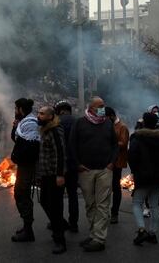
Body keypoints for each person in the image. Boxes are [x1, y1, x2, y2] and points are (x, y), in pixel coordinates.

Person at [69, 97, 117, 253]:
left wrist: (111, 163)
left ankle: (99, 239)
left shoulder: (108, 123)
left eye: (104, 105)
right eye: (100, 106)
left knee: (103, 205)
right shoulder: (80, 123)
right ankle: (93, 233)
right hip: (86, 171)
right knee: (90, 204)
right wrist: (78, 164)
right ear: (91, 108)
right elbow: (72, 145)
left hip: (105, 170)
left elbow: (115, 144)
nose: (103, 108)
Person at [128, 112, 159, 246]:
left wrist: (135, 172)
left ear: (143, 123)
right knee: (154, 206)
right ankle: (152, 234)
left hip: (142, 177)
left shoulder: (137, 138)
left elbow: (132, 157)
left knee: (137, 203)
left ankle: (142, 231)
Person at [35, 106, 68, 255]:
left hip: (55, 175)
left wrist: (60, 175)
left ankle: (60, 240)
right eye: (38, 113)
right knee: (44, 201)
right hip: (46, 174)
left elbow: (60, 153)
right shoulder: (46, 129)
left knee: (55, 206)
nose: (38, 116)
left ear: (50, 116)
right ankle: (60, 223)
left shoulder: (55, 130)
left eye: (42, 114)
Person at [10, 97, 40, 242]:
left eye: (16, 109)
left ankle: (28, 230)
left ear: (21, 109)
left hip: (27, 165)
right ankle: (26, 226)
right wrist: (15, 127)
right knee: (19, 193)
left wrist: (19, 157)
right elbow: (16, 139)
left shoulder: (30, 123)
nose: (15, 112)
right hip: (23, 165)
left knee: (22, 193)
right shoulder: (23, 123)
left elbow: (31, 145)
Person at [55, 101, 79, 232]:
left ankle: (59, 222)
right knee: (72, 195)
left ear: (60, 111)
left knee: (58, 196)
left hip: (60, 164)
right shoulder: (78, 122)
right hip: (74, 164)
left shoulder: (57, 122)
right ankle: (73, 224)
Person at [105, 107, 129, 224]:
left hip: (117, 162)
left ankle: (115, 213)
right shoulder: (107, 125)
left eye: (106, 117)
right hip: (106, 162)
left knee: (115, 188)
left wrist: (108, 143)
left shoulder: (122, 127)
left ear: (112, 116)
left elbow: (123, 144)